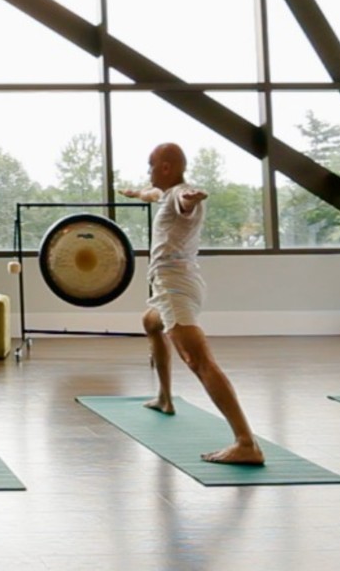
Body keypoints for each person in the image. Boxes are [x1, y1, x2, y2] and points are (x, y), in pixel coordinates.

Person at [118, 142, 265, 465]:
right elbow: (152, 194)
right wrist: (133, 192)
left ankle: (246, 442)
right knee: (150, 322)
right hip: (174, 285)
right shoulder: (164, 194)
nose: (149, 171)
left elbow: (184, 201)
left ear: (167, 167)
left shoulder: (181, 194)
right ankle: (165, 398)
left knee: (198, 360)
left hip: (174, 287)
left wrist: (191, 198)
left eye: (151, 165)